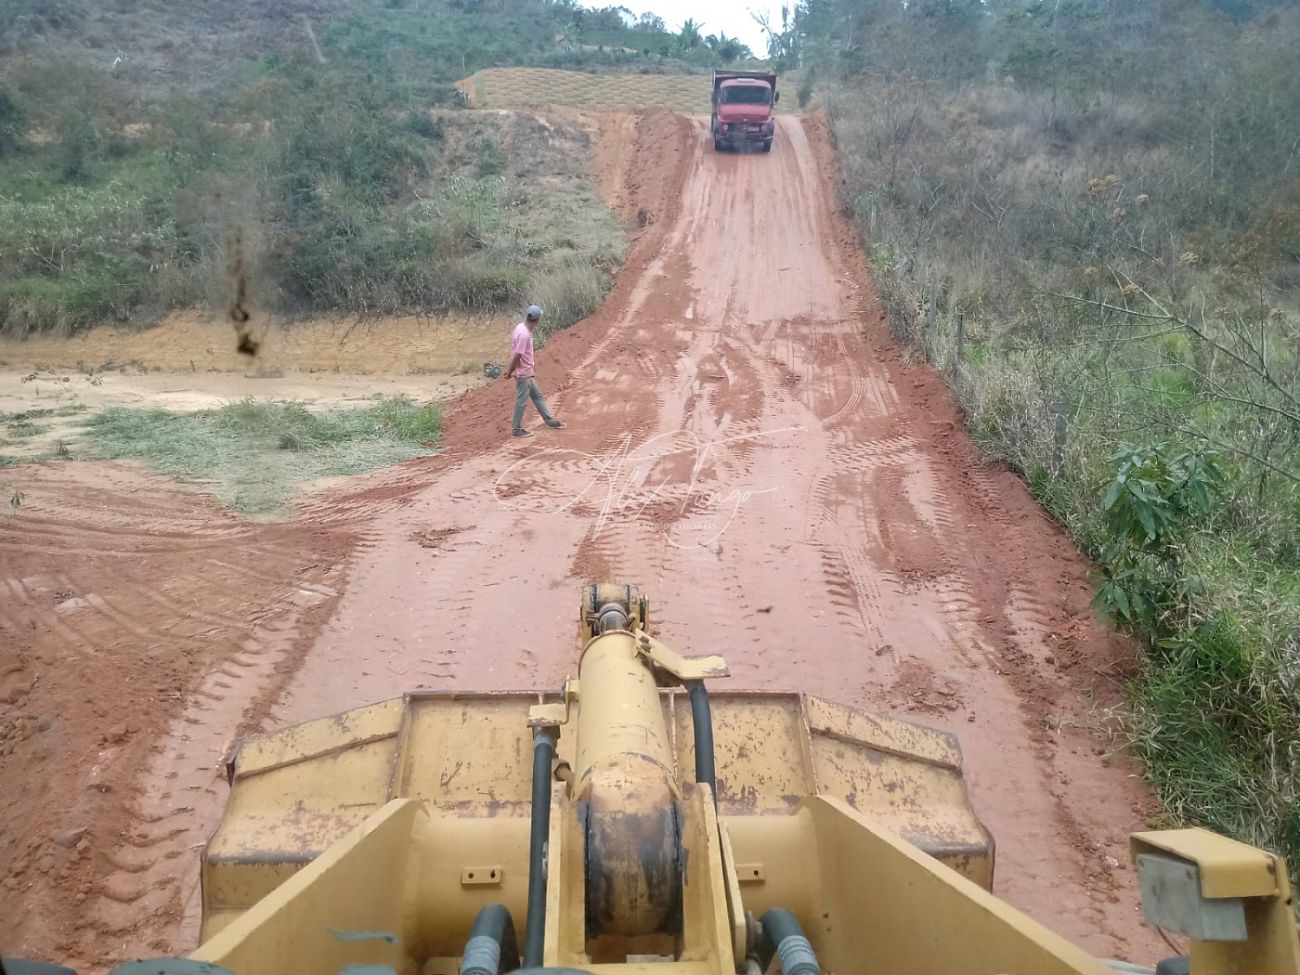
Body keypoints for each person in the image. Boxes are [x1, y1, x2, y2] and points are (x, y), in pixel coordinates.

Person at [505, 304, 565, 437]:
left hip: (527, 372)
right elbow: (518, 355)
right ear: (537, 320)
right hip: (523, 373)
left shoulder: (519, 327)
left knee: (537, 397)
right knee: (521, 402)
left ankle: (549, 420)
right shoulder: (525, 334)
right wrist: (510, 371)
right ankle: (516, 429)